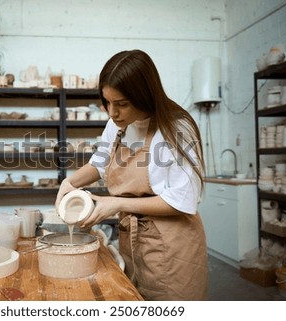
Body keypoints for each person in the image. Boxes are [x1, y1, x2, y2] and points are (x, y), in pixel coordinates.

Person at [55, 49, 208, 301]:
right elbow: (99, 163)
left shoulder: (177, 129)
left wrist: (117, 203)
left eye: (122, 104)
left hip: (171, 246)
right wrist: (69, 182)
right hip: (133, 240)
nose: (112, 112)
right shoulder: (116, 124)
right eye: (107, 102)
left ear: (144, 95)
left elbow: (182, 200)